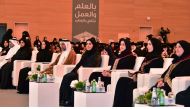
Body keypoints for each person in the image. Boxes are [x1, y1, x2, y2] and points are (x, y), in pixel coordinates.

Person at [113, 38, 164, 107]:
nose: (147, 46)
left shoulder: (159, 60)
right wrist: (136, 74)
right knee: (121, 80)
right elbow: (141, 69)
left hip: (143, 81)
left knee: (128, 85)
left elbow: (150, 72)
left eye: (150, 44)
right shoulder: (148, 57)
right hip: (138, 79)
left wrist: (138, 75)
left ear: (155, 45)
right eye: (147, 44)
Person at [59, 38, 102, 106]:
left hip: (87, 74)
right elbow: (79, 63)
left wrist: (81, 70)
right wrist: (75, 70)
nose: (88, 45)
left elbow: (93, 66)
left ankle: (69, 101)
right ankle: (63, 99)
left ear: (93, 45)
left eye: (90, 44)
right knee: (67, 76)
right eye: (87, 44)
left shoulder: (96, 55)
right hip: (80, 72)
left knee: (69, 78)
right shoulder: (86, 53)